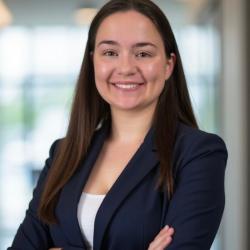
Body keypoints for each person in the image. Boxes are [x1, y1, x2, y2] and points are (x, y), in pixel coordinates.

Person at [8, 0, 228, 249]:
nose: (125, 68)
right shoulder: (63, 153)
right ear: (93, 62)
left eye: (143, 53)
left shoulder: (198, 153)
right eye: (110, 53)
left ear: (168, 65)